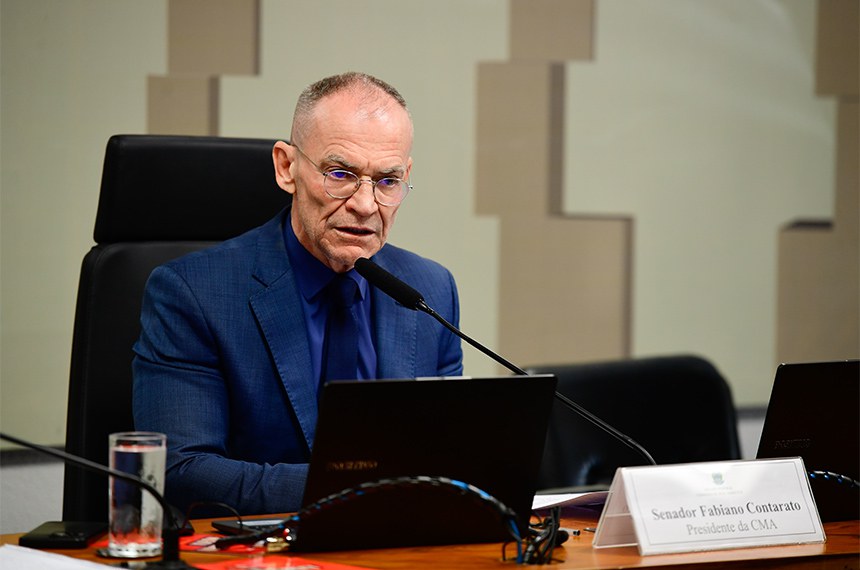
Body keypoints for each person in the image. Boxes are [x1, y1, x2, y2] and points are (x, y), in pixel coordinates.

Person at [132, 72, 463, 516]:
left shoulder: (430, 290)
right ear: (287, 167)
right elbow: (180, 472)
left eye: (387, 181)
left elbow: (448, 458)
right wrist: (364, 488)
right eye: (340, 174)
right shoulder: (193, 294)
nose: (366, 205)